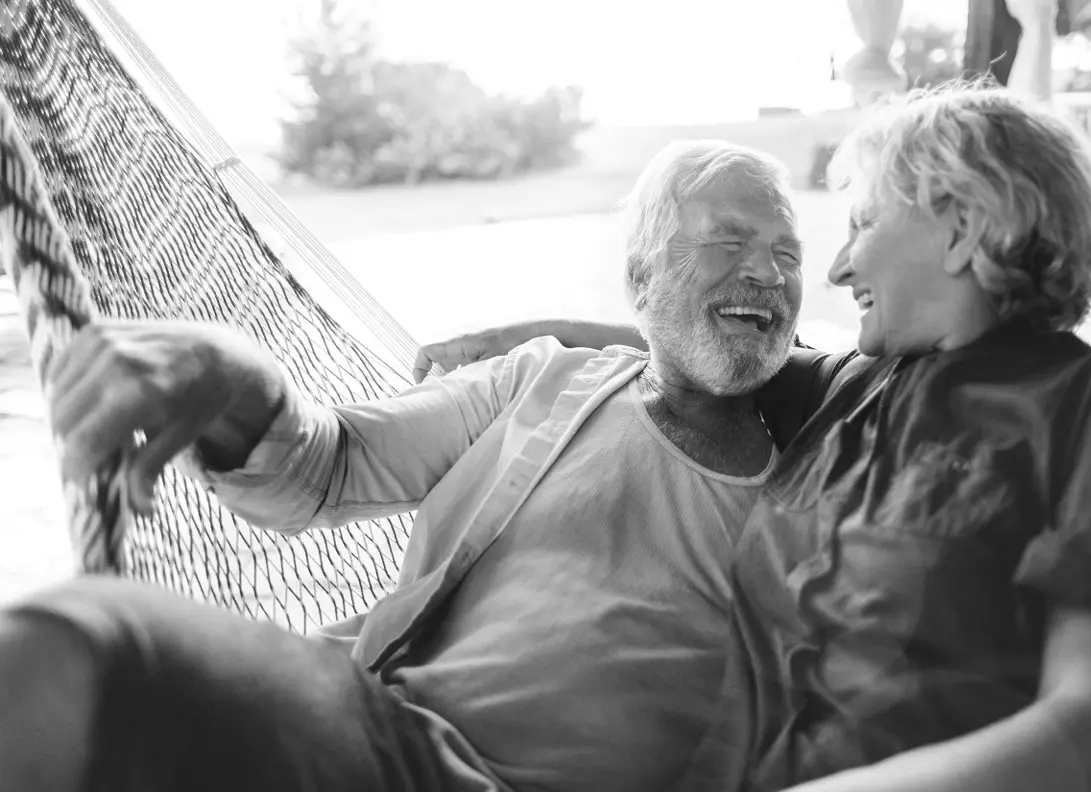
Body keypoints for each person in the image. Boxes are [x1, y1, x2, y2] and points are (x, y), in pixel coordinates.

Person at [420, 88, 1091, 791]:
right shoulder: (851, 393)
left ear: (960, 228)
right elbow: (689, 339)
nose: (840, 269)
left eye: (862, 225)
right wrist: (510, 337)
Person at [0, 140, 806, 792]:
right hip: (377, 738)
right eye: (729, 242)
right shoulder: (541, 380)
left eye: (786, 255)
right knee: (70, 654)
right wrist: (235, 377)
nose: (767, 274)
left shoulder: (838, 469)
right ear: (640, 276)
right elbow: (324, 466)